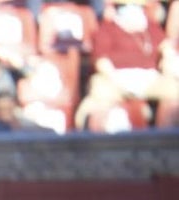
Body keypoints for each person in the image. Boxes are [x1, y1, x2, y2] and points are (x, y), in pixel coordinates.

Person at [73, 0, 179, 130]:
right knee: (100, 92)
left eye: (136, 6)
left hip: (149, 78)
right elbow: (101, 61)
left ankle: (167, 140)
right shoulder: (107, 29)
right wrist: (116, 79)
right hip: (116, 78)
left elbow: (164, 47)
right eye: (125, 6)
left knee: (175, 91)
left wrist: (168, 56)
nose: (131, 10)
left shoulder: (151, 28)